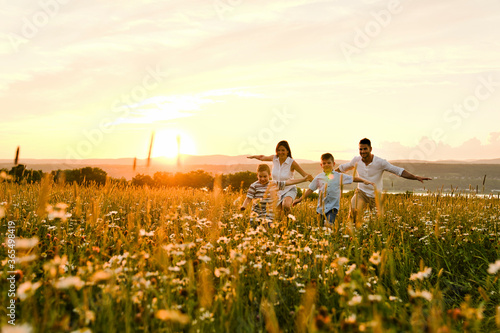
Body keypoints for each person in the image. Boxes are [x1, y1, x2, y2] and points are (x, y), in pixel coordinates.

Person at [336, 138, 431, 222]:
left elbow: (398, 171)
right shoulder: (356, 160)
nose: (363, 151)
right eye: (360, 149)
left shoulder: (380, 162)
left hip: (376, 196)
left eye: (365, 149)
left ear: (370, 149)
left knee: (378, 222)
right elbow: (342, 168)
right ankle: (349, 235)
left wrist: (415, 177)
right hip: (361, 193)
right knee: (353, 213)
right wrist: (328, 175)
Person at [293, 153, 373, 225]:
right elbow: (310, 190)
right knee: (321, 228)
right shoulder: (318, 178)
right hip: (321, 208)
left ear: (333, 164)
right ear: (321, 165)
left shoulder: (339, 176)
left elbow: (352, 178)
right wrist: (299, 199)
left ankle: (331, 229)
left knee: (328, 224)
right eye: (324, 163)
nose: (326, 165)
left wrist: (363, 180)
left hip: (333, 207)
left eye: (329, 163)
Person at [247, 140, 313, 216]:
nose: (280, 152)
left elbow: (305, 175)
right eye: (278, 150)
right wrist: (254, 156)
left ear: (287, 151)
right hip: (277, 191)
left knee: (286, 205)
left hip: (289, 189)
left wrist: (318, 184)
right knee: (277, 215)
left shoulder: (291, 162)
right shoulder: (274, 158)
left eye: (283, 150)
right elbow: (263, 157)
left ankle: (290, 223)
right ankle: (283, 225)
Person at [240, 164, 311, 223]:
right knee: (254, 230)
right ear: (257, 175)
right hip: (256, 214)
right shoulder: (254, 186)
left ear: (269, 175)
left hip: (269, 215)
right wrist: (244, 206)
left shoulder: (274, 183)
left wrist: (304, 179)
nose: (262, 179)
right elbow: (248, 198)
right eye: (260, 176)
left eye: (265, 176)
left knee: (267, 230)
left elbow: (288, 182)